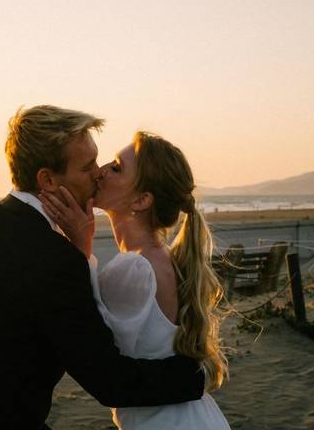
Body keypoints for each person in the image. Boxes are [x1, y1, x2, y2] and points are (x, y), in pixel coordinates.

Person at [0, 106, 205, 430]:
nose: (98, 173)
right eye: (87, 167)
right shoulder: (57, 259)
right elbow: (109, 380)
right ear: (47, 179)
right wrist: (195, 376)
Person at [41, 131, 230, 429]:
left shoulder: (136, 267)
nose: (100, 170)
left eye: (116, 168)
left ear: (142, 200)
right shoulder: (158, 257)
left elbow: (93, 341)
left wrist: (81, 248)